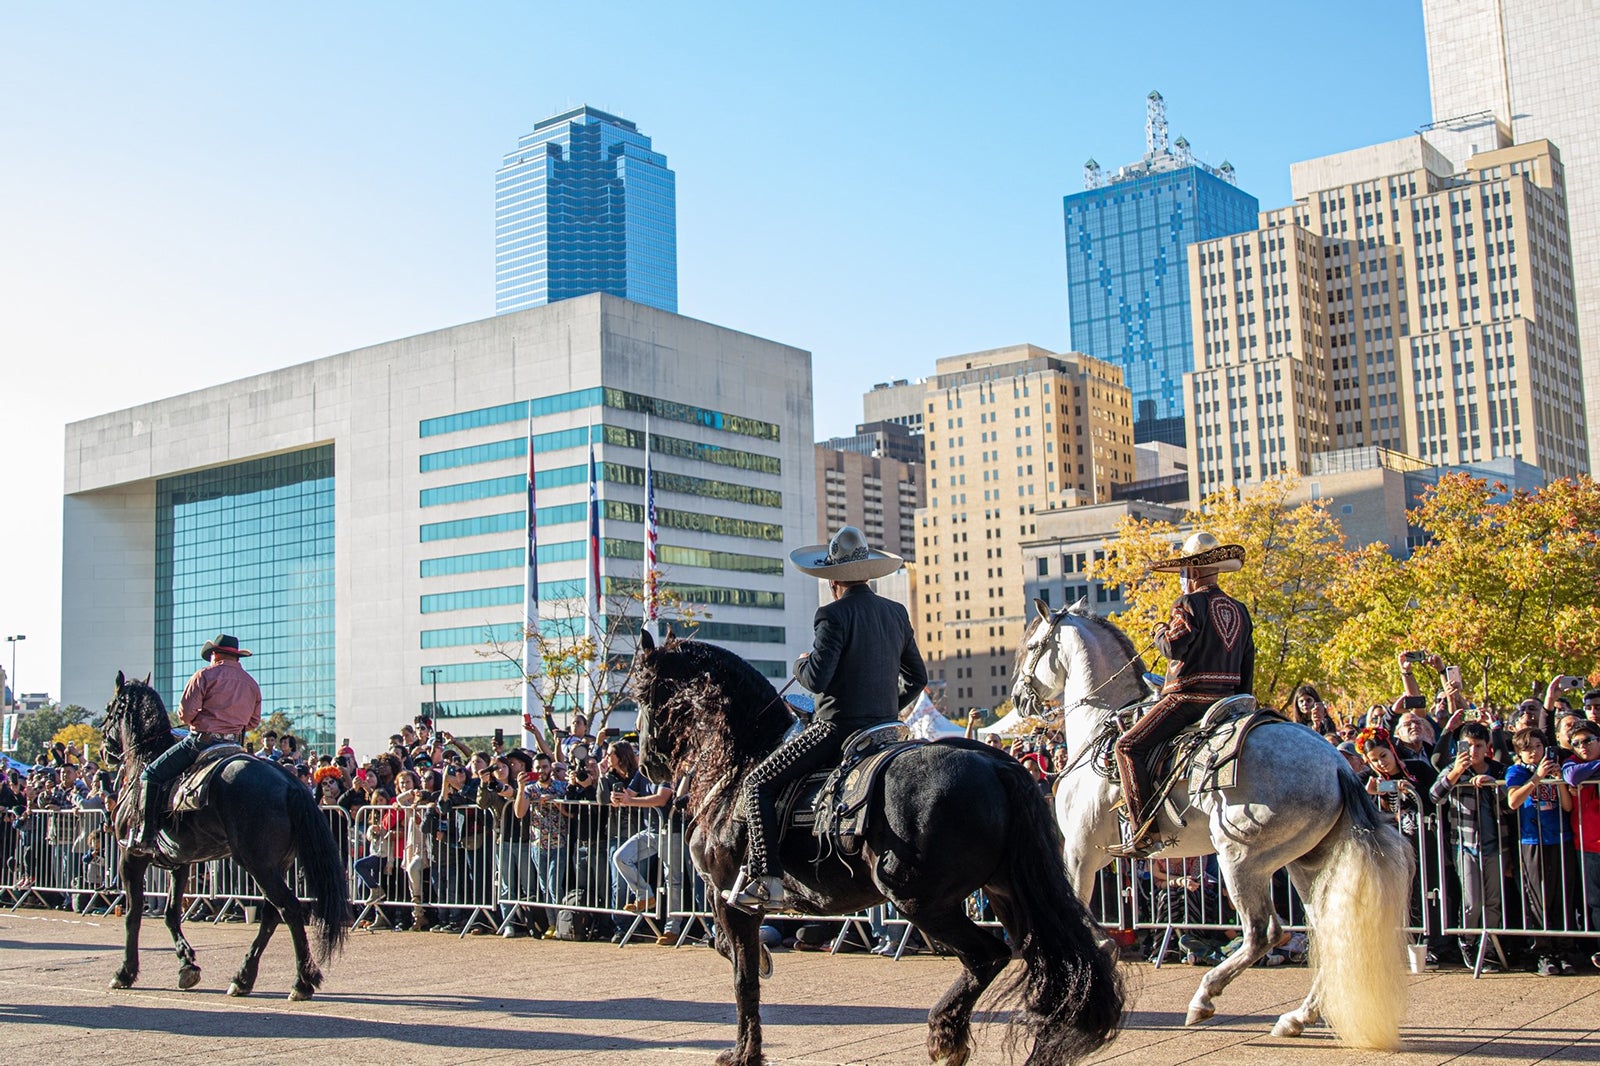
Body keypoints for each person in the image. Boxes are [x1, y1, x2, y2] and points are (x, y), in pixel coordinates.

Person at [727, 525, 926, 911]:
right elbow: (918, 677)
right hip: (887, 730)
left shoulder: (831, 615)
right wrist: (887, 707)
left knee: (757, 784)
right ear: (866, 573)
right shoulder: (896, 613)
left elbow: (817, 679)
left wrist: (801, 663)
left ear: (834, 579)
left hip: (837, 730)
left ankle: (767, 880)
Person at [1109, 531, 1253, 858]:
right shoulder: (1240, 609)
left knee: (1127, 746)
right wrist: (1243, 704)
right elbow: (1248, 662)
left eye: (1183, 573)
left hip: (1187, 699)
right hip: (1228, 702)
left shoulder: (1188, 603)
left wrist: (1160, 630)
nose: (1181, 580)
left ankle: (1144, 832)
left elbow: (1173, 647)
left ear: (1193, 572)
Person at [135, 634, 261, 849]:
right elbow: (253, 722)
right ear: (237, 657)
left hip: (203, 742)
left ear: (214, 654)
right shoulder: (251, 683)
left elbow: (185, 715)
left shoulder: (204, 675)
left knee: (151, 774)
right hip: (234, 747)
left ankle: (146, 836)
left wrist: (203, 719)